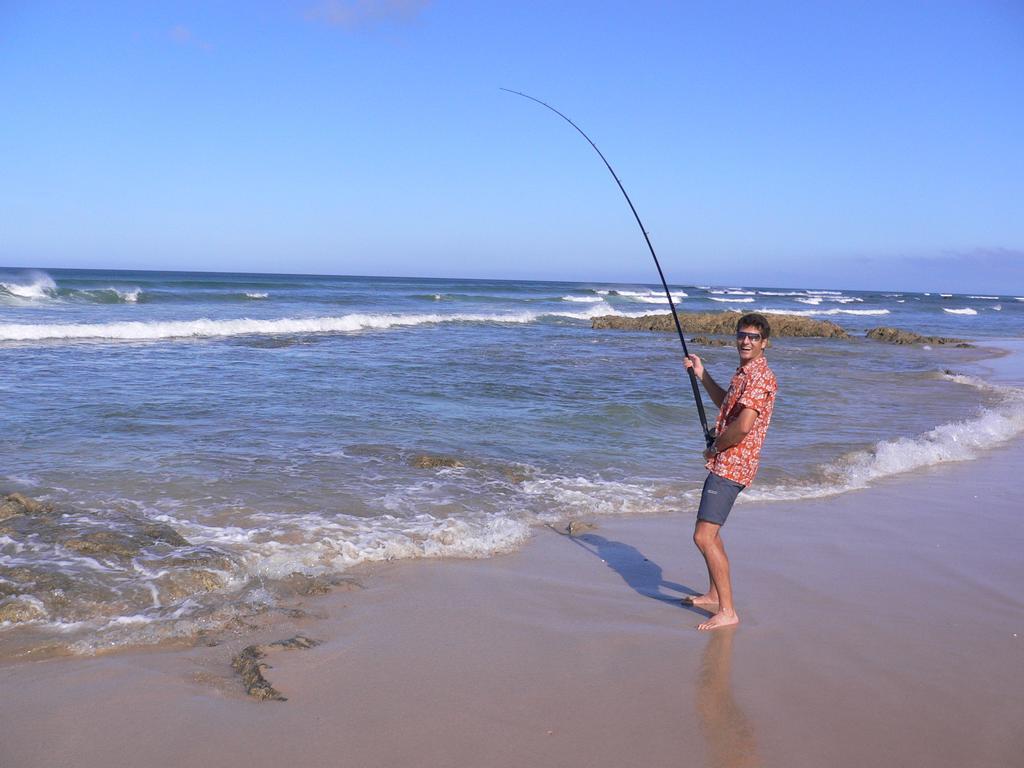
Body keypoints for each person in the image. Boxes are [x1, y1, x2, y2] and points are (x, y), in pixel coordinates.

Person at [683, 312, 778, 630]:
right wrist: (702, 375)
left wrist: (714, 448)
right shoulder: (745, 373)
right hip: (727, 461)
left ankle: (728, 611)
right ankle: (714, 594)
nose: (746, 341)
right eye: (742, 335)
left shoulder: (760, 377)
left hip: (732, 464)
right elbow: (727, 406)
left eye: (753, 337)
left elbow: (742, 427)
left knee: (703, 536)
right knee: (712, 534)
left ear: (765, 343)